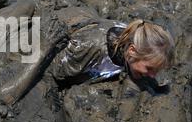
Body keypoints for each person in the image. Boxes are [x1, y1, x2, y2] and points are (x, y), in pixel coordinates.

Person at [47, 6, 175, 92]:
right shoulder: (90, 48)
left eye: (156, 70)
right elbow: (53, 71)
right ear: (131, 50)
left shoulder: (134, 37)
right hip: (54, 32)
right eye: (149, 69)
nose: (152, 76)